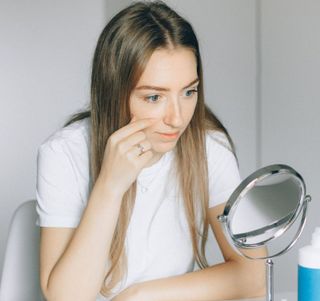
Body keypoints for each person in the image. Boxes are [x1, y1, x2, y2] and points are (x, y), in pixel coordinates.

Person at [36, 1, 266, 300]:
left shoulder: (208, 147)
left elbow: (253, 274)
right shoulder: (64, 153)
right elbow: (65, 298)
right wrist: (110, 185)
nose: (177, 118)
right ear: (114, 93)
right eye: (154, 97)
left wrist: (138, 296)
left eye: (188, 92)